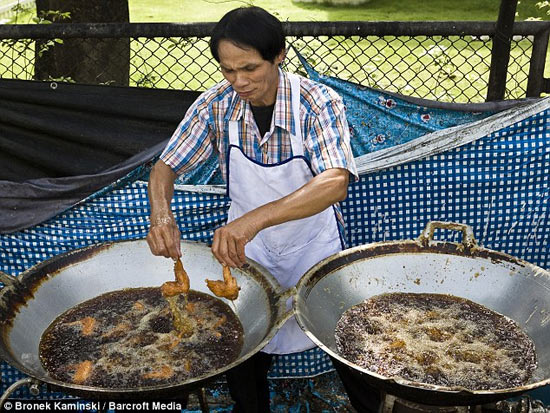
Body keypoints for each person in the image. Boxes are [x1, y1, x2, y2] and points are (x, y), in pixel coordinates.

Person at [146, 6, 378, 412]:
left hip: (312, 246)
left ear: (279, 56)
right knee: (245, 349)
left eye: (250, 68)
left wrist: (252, 220)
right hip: (247, 252)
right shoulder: (215, 105)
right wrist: (161, 215)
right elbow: (165, 166)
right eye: (228, 70)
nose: (239, 81)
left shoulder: (317, 103)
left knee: (346, 345)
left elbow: (335, 182)